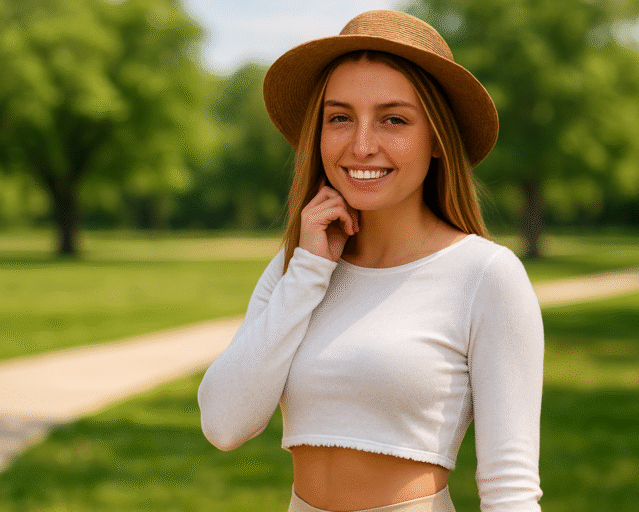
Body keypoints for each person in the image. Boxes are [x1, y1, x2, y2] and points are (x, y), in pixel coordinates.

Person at [198, 10, 544, 512]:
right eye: (340, 117)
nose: (361, 145)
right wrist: (309, 271)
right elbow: (224, 424)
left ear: (437, 140)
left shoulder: (485, 275)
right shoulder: (300, 267)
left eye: (393, 119)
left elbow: (509, 489)